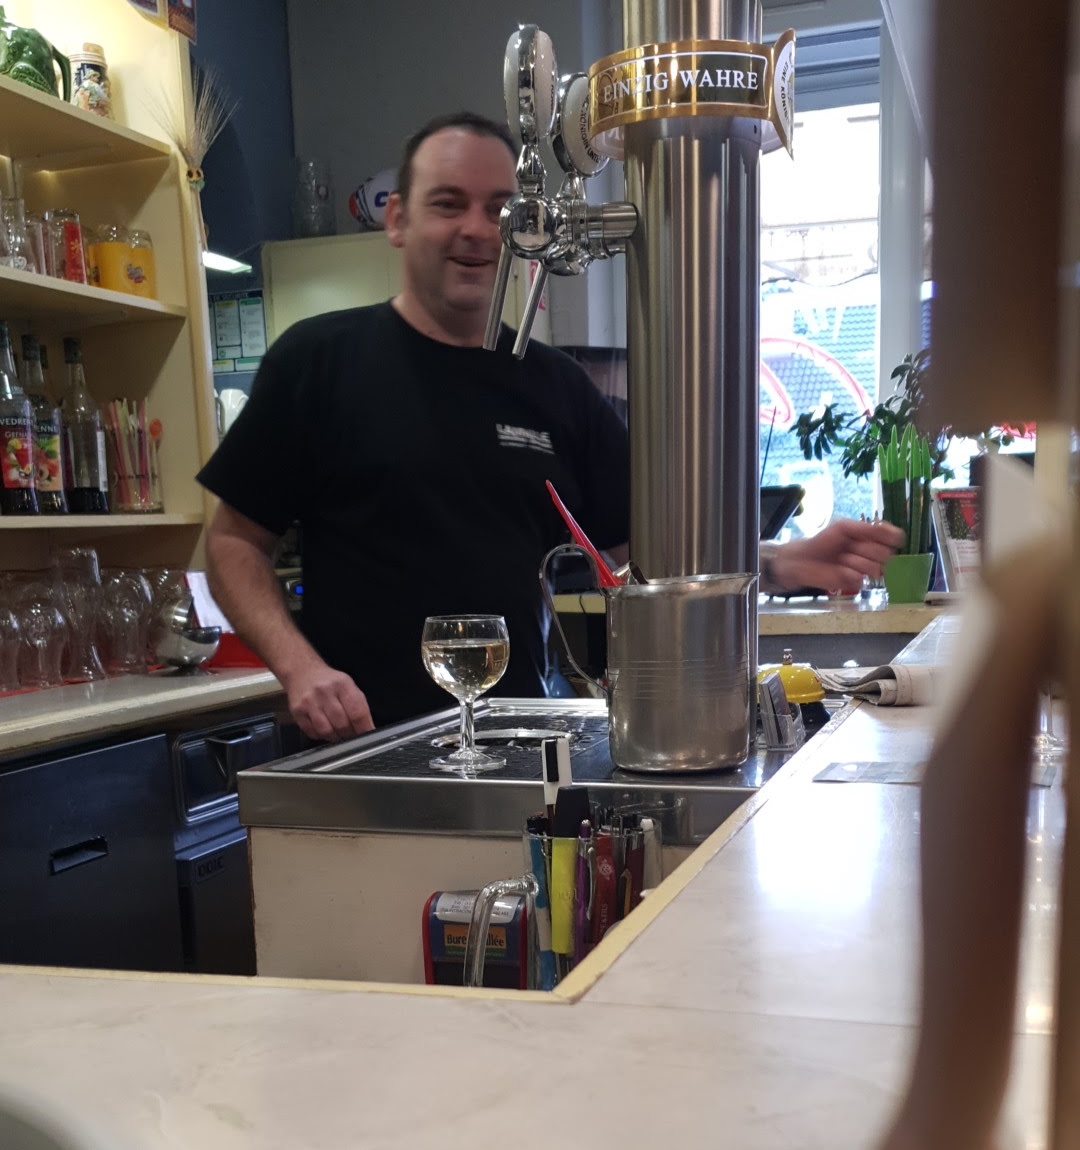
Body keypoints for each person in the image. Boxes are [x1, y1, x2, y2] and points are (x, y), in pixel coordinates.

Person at [199, 112, 901, 743]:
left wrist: (780, 563)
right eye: (448, 204)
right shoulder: (317, 361)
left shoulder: (556, 385)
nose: (478, 229)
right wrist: (301, 669)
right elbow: (233, 542)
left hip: (516, 745)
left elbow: (645, 552)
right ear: (398, 222)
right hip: (360, 749)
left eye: (500, 209)